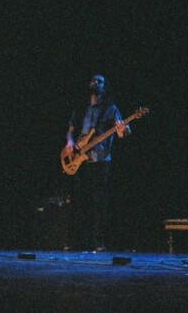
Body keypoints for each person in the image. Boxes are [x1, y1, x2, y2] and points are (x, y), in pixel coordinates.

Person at [65, 74, 129, 252]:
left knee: (99, 203)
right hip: (80, 159)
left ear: (104, 86)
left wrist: (123, 129)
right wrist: (70, 142)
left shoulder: (110, 108)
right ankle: (74, 241)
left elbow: (123, 133)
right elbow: (70, 131)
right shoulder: (81, 107)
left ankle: (98, 242)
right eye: (93, 80)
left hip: (100, 159)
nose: (95, 83)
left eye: (99, 81)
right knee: (78, 201)